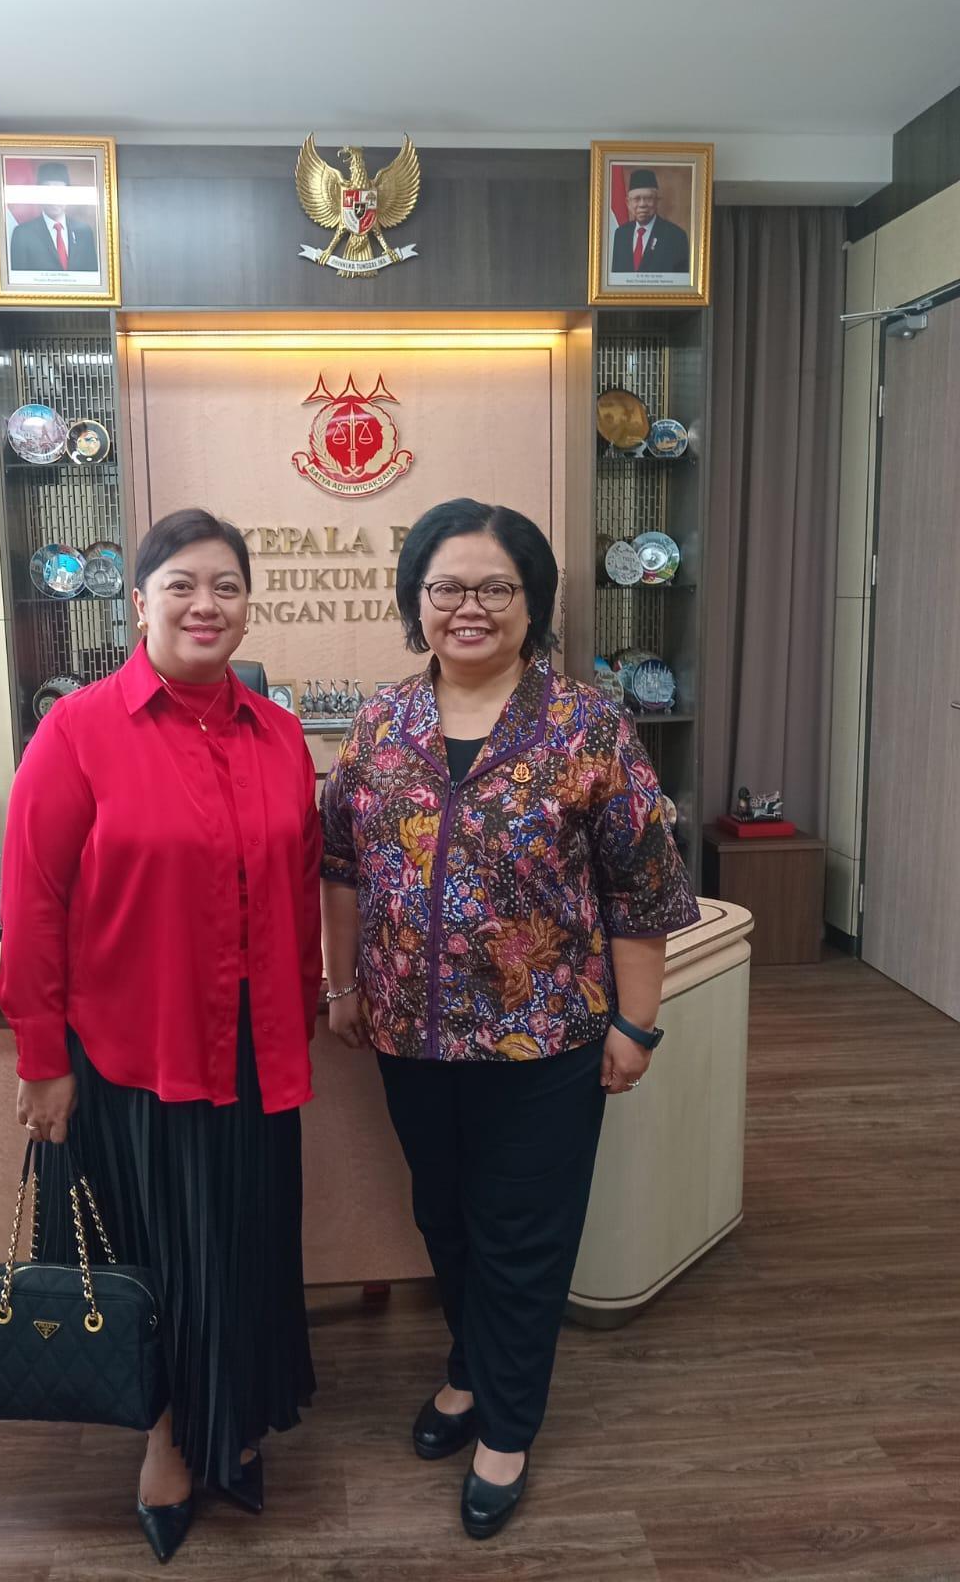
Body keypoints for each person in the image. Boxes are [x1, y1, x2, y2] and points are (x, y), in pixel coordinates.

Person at [319, 498, 698, 1541]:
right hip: (407, 1030)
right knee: (444, 1218)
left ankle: (507, 1423)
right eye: (447, 587)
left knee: (523, 1235)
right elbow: (343, 863)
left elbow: (643, 889)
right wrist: (343, 984)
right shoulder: (382, 722)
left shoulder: (588, 725)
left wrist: (638, 1024)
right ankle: (467, 1367)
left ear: (533, 604)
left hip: (547, 1040)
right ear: (416, 602)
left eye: (496, 588)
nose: (470, 607)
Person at [0, 508, 322, 1566]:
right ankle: (174, 1439)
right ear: (138, 600)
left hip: (256, 1042)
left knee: (248, 1241)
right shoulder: (79, 730)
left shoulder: (277, 735)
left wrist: (313, 996)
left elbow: (300, 882)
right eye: (181, 584)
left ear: (246, 604)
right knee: (167, 1253)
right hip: (136, 1051)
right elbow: (33, 901)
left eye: (226, 585)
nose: (205, 605)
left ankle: (239, 1420)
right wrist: (41, 1056)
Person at [9, 160, 99, 273]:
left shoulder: (84, 232)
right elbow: (18, 281)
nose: (53, 198)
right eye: (47, 191)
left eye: (59, 191)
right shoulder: (22, 233)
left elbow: (93, 277)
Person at [610, 167, 690, 274]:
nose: (642, 204)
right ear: (628, 203)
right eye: (636, 199)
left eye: (648, 198)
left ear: (657, 201)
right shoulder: (621, 234)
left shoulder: (675, 236)